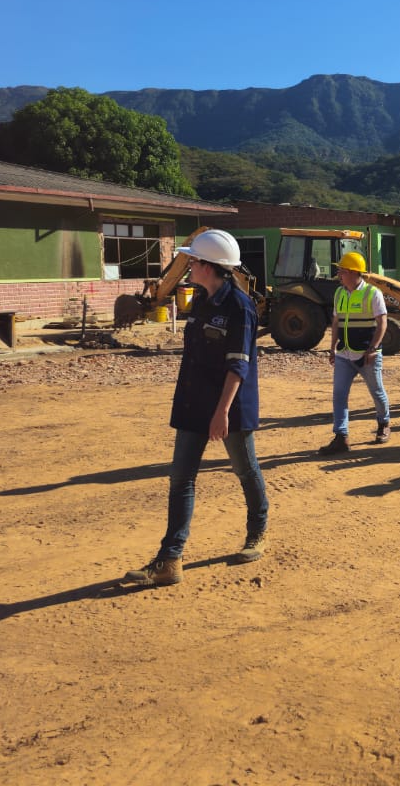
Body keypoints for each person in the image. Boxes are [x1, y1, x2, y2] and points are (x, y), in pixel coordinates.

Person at [124, 229, 268, 587]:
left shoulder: (240, 306)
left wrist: (221, 413)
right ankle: (170, 559)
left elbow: (239, 365)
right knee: (181, 477)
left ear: (208, 265)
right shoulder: (202, 300)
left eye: (192, 261)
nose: (187, 266)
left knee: (244, 468)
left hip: (229, 405)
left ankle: (257, 532)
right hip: (195, 401)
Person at [320, 251, 390, 454]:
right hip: (344, 353)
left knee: (376, 391)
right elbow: (336, 323)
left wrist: (374, 348)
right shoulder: (339, 293)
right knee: (339, 395)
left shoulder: (372, 293)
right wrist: (332, 348)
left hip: (366, 355)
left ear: (352, 272)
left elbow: (382, 323)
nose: (339, 274)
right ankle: (341, 437)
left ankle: (384, 423)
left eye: (341, 270)